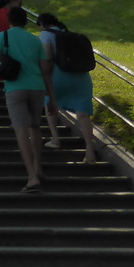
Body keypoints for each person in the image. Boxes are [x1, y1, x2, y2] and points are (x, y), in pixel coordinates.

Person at [0, 8, 57, 192]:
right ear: (25, 21)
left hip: (14, 88)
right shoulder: (35, 40)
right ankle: (38, 166)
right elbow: (45, 69)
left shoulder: (1, 37)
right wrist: (52, 98)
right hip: (36, 87)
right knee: (35, 127)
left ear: (9, 20)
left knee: (21, 131)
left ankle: (31, 176)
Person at [38, 13, 96, 163]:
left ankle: (55, 139)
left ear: (42, 24)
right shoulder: (70, 34)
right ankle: (89, 151)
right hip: (81, 77)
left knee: (49, 105)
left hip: (59, 76)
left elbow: (47, 59)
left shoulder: (45, 34)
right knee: (83, 115)